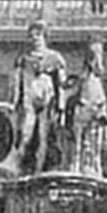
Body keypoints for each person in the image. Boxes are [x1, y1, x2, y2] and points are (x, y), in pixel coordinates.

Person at [11, 21, 68, 174]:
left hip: (47, 100)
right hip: (29, 99)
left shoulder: (55, 58)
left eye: (38, 35)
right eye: (32, 36)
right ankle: (20, 168)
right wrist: (14, 102)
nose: (35, 38)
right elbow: (17, 82)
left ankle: (41, 169)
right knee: (26, 133)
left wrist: (61, 106)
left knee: (45, 135)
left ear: (45, 37)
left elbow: (61, 85)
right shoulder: (23, 58)